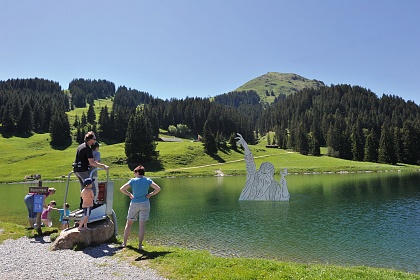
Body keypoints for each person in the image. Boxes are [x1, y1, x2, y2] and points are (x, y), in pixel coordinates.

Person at [235, 133, 290, 201]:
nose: (264, 177)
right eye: (263, 173)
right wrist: (246, 147)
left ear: (271, 176)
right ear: (259, 172)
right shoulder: (252, 179)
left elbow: (284, 199)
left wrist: (284, 187)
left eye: (268, 174)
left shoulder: (274, 187)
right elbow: (250, 163)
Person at [119, 165, 161, 250]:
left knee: (129, 224)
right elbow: (158, 189)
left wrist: (129, 194)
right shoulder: (148, 180)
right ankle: (140, 246)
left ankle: (124, 243)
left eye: (134, 172)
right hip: (145, 203)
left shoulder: (133, 181)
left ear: (137, 172)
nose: (134, 174)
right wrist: (150, 195)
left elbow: (122, 189)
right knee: (142, 226)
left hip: (134, 203)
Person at [73, 131, 109, 208]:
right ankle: (92, 204)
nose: (95, 140)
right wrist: (103, 166)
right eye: (94, 139)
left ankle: (82, 204)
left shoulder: (80, 146)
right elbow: (92, 163)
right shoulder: (87, 148)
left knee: (83, 187)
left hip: (76, 170)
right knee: (91, 187)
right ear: (91, 139)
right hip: (83, 170)